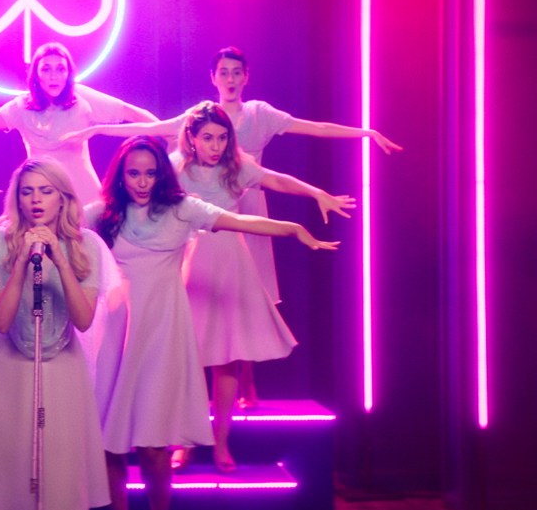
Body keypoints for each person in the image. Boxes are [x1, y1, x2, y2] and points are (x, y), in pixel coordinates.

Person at [60, 45, 399, 409]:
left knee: (245, 298)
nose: (231, 79)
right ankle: (205, 394)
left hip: (246, 206)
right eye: (224, 72)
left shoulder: (258, 115)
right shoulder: (197, 124)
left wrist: (361, 135)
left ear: (246, 76)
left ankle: (243, 383)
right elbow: (151, 130)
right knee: (202, 307)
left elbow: (308, 135)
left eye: (237, 72)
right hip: (201, 222)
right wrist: (97, 130)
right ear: (213, 78)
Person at [87, 135, 341, 506]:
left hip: (161, 335)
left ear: (161, 175)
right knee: (109, 446)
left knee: (154, 447)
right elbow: (54, 221)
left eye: (150, 173)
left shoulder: (182, 209)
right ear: (121, 176)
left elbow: (238, 220)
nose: (142, 182)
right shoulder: (101, 213)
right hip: (114, 334)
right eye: (133, 173)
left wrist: (292, 228)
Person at [176, 101, 353, 472]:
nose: (215, 145)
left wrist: (316, 193)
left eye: (222, 138)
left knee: (225, 358)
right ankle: (185, 442)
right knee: (185, 359)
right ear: (191, 138)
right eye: (207, 138)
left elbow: (277, 180)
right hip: (188, 264)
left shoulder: (237, 168)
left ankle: (221, 443)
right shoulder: (176, 168)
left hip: (230, 264)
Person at [0, 158, 117, 510]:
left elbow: (83, 320)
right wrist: (22, 261)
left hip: (63, 368)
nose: (36, 199)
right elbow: (2, 321)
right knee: (7, 468)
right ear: (18, 199)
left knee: (57, 466)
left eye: (46, 191)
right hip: (4, 369)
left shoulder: (87, 244)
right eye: (27, 192)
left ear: (63, 198)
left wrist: (60, 260)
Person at [0, 42, 161, 205]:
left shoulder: (82, 98)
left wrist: (168, 133)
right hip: (40, 194)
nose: (54, 76)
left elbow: (131, 112)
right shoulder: (22, 107)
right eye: (46, 69)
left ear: (68, 73)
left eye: (60, 69)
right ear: (36, 74)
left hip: (83, 196)